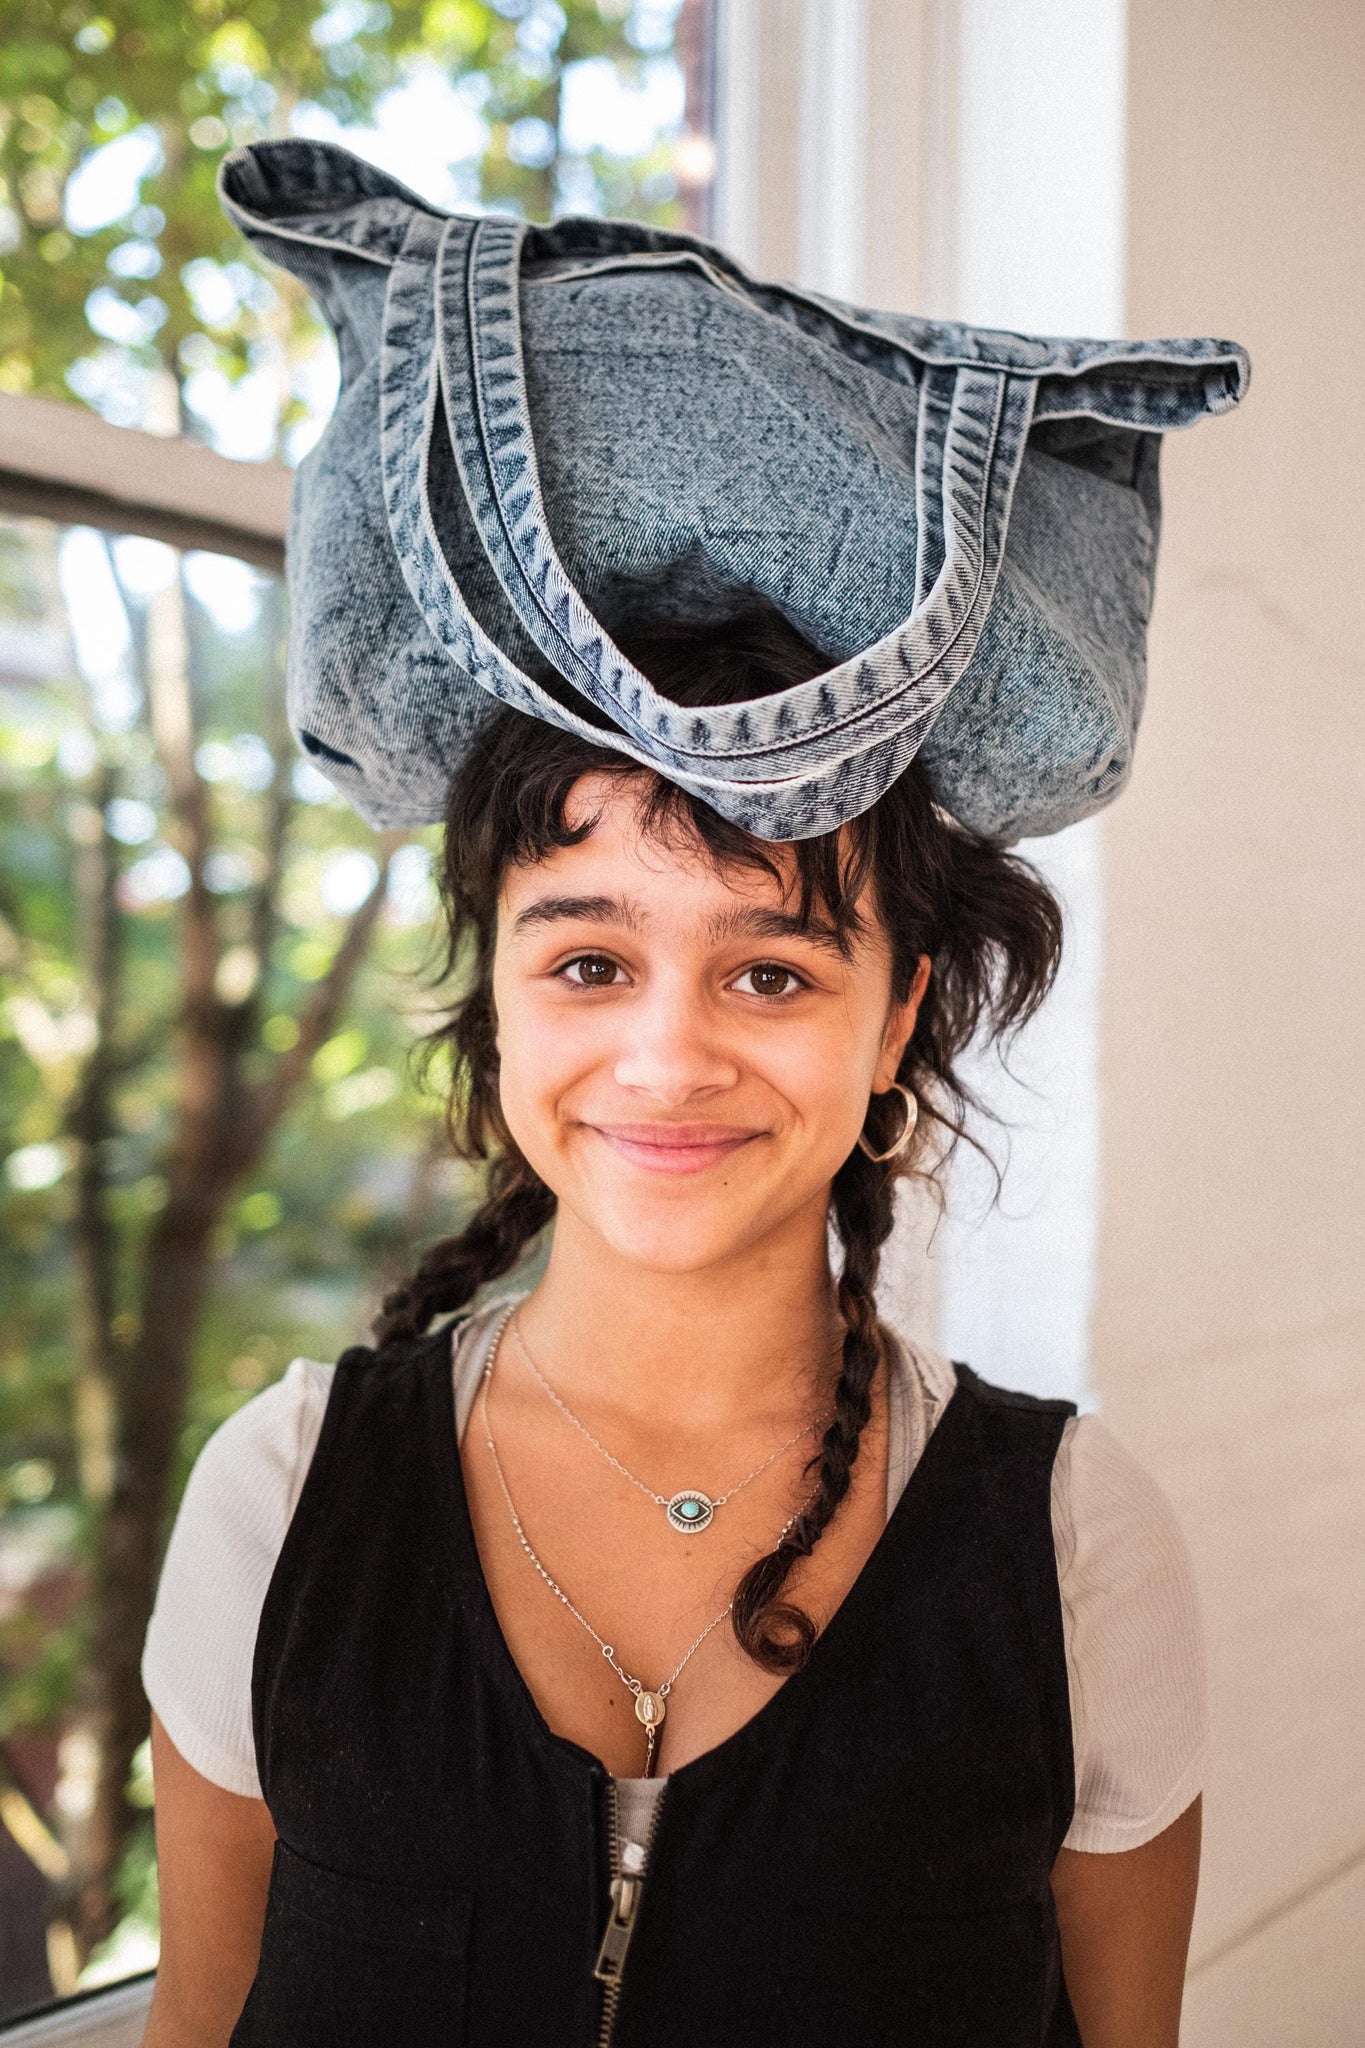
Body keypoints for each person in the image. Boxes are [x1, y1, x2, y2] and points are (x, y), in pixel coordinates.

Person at [141, 610, 1205, 2048]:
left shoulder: (1074, 1536)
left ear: (894, 1022)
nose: (665, 1059)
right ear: (503, 1007)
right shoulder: (278, 1494)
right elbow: (198, 2024)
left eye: (771, 972)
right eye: (587, 964)